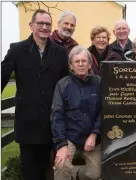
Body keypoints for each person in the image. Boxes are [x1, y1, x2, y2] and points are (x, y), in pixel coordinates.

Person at [1, 9, 69, 180]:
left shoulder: (60, 52)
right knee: (30, 171)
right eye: (40, 23)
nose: (44, 27)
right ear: (31, 25)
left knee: (53, 170)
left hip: (52, 123)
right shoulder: (16, 50)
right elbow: (2, 76)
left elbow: (66, 85)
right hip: (27, 124)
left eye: (48, 24)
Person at [51, 45, 101, 180]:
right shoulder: (62, 85)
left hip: (92, 137)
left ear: (90, 64)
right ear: (71, 66)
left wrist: (94, 134)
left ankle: (77, 175)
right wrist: (61, 145)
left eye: (84, 61)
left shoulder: (99, 82)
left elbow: (103, 112)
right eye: (76, 61)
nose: (80, 64)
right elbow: (57, 116)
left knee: (96, 174)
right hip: (69, 136)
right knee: (62, 166)